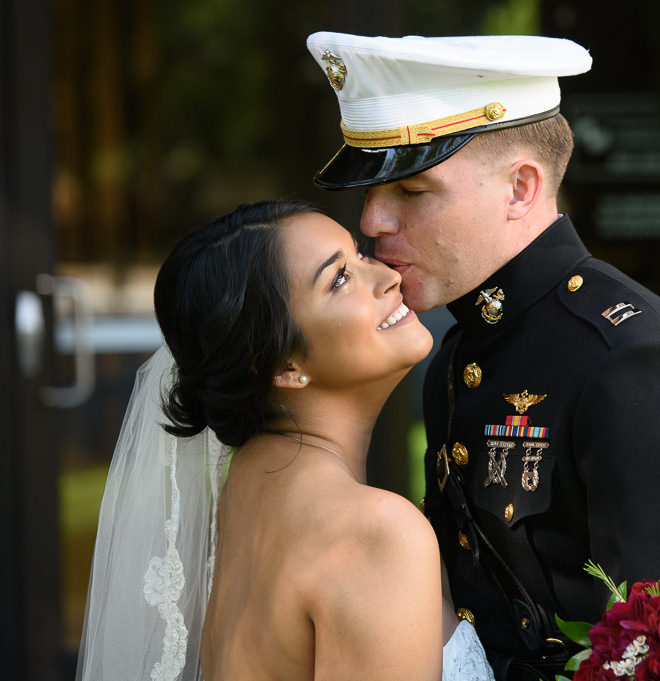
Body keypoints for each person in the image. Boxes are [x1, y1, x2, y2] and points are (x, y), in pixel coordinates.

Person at [305, 32, 660, 680]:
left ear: (520, 188)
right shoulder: (458, 354)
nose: (374, 218)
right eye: (373, 191)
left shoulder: (634, 362)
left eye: (411, 191)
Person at [75, 200, 495, 681]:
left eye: (359, 255)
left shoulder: (247, 491)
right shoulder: (374, 534)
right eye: (339, 279)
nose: (387, 276)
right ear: (284, 367)